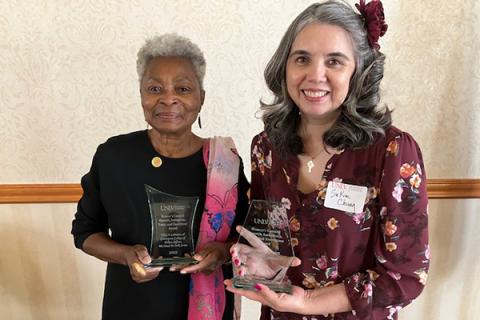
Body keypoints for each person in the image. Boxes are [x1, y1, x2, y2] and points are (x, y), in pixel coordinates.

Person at [225, 1, 429, 319]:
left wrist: (308, 302)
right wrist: (259, 264)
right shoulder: (266, 148)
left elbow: (405, 277)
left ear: (359, 71)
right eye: (302, 59)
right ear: (285, 66)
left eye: (334, 61)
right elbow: (272, 245)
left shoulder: (392, 150)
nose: (315, 75)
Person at [71, 33, 249, 320]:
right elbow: (85, 232)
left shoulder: (225, 164)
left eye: (183, 88)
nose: (168, 99)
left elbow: (246, 236)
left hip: (209, 307)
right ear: (141, 95)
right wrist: (127, 255)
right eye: (155, 88)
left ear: (201, 98)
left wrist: (222, 252)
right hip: (132, 306)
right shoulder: (113, 156)